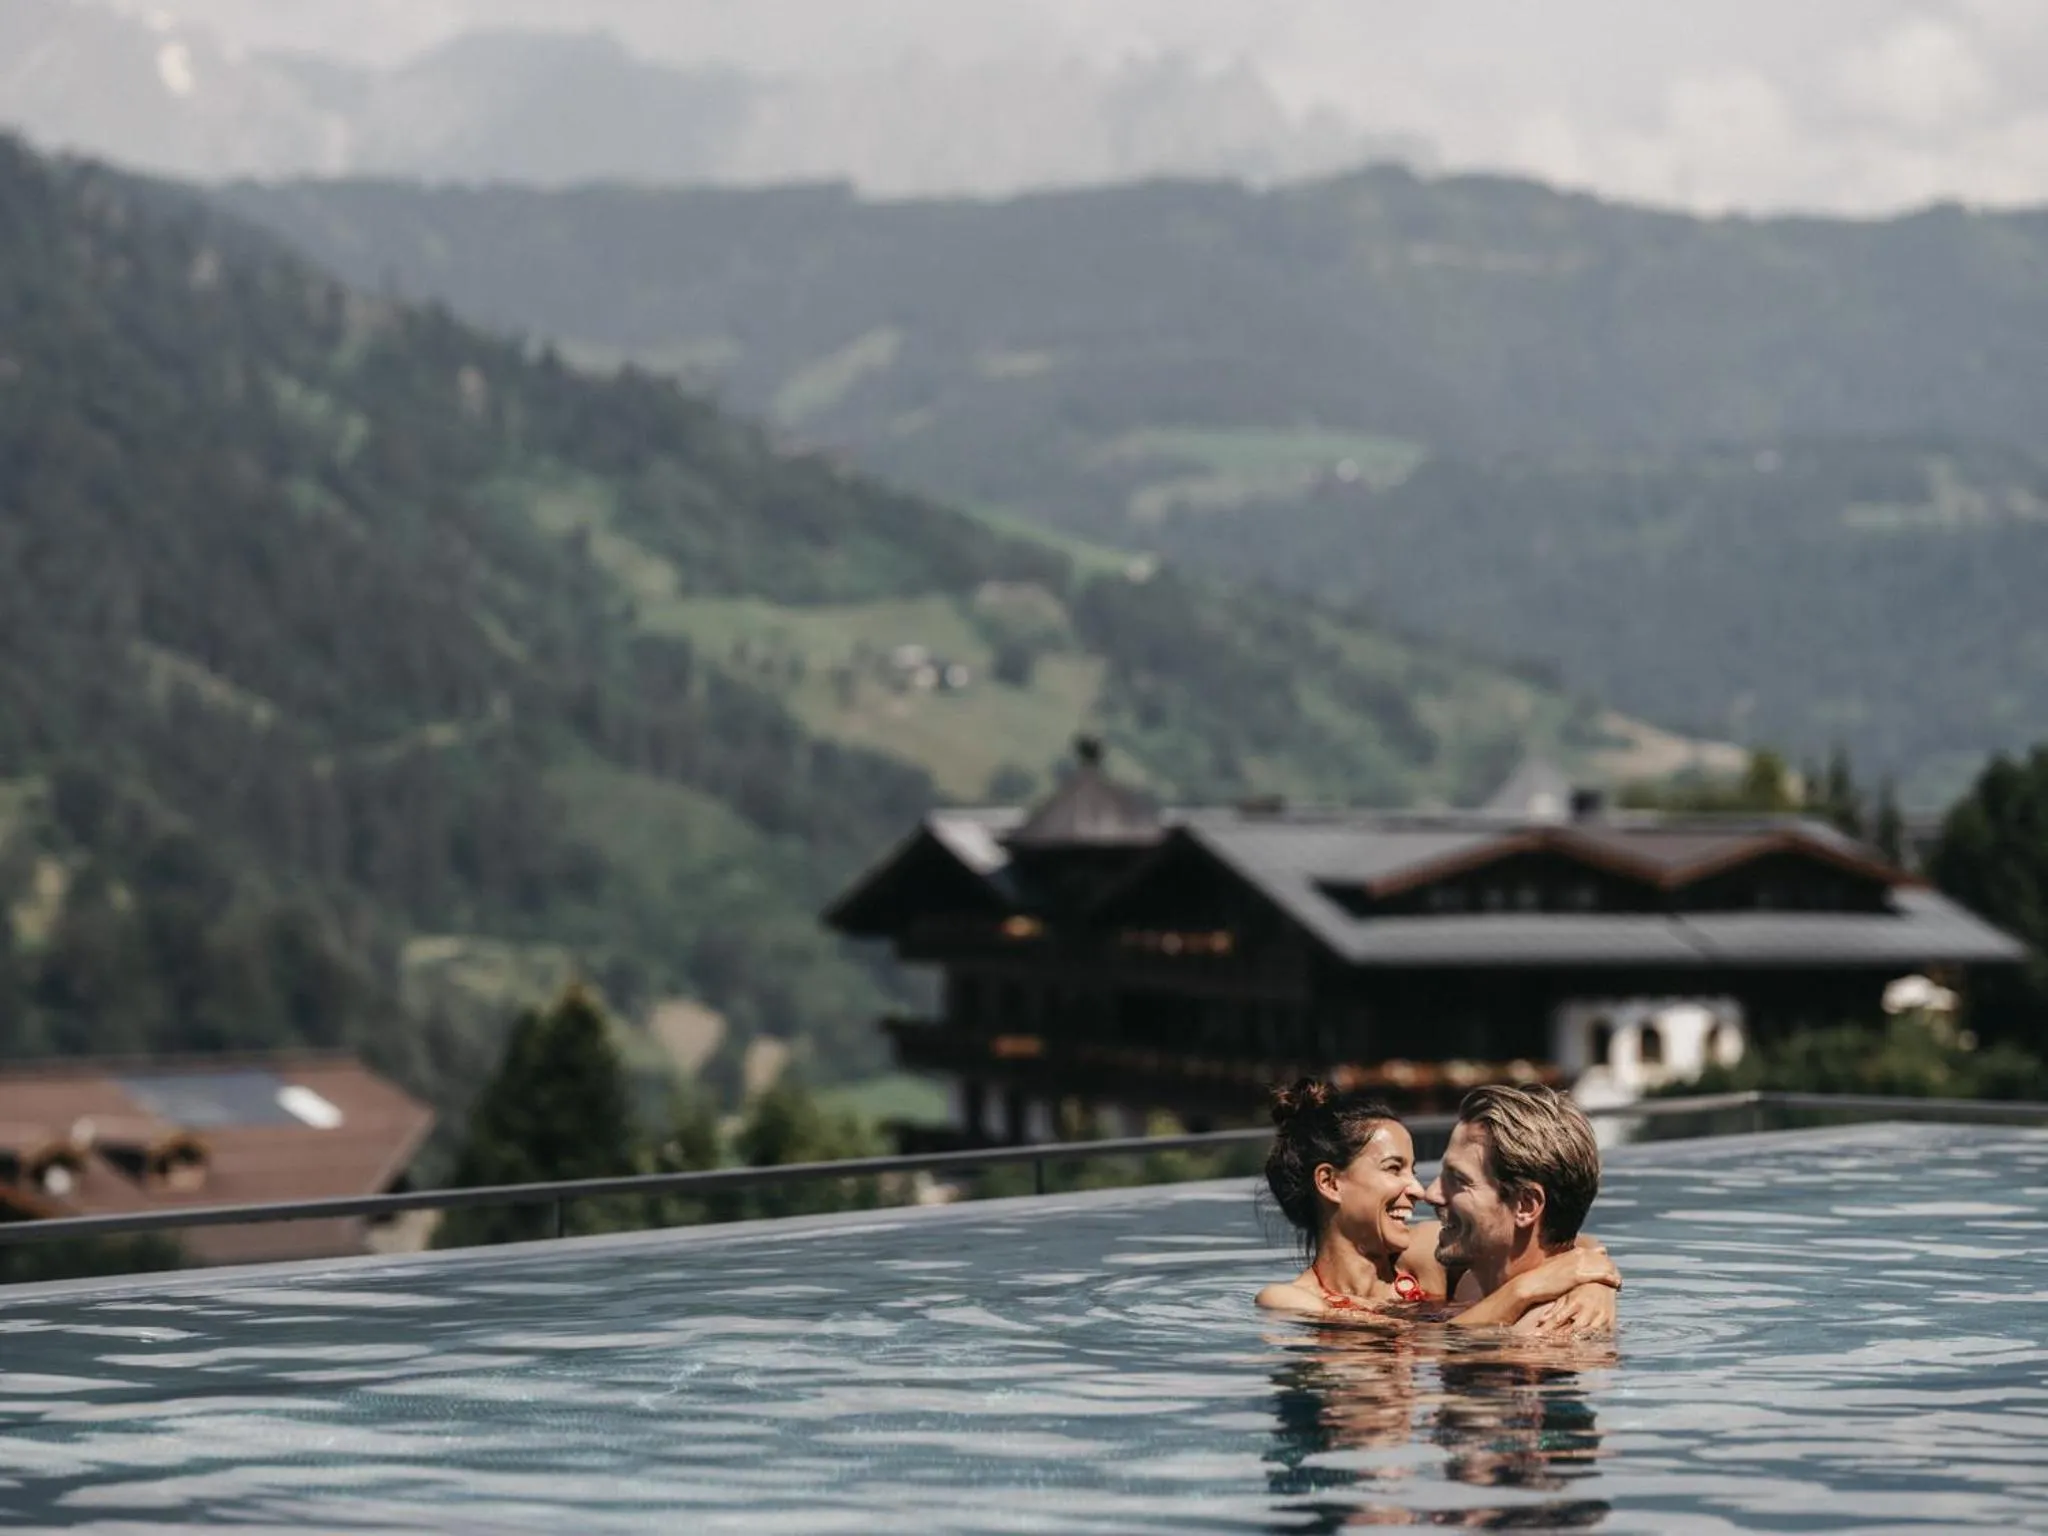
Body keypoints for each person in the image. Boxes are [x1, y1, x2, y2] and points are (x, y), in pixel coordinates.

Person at [1255, 1079, 1618, 1330]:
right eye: (1393, 1168)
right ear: (1330, 1182)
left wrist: (1594, 1285)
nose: (1418, 1189)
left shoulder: (1425, 1257)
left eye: (1412, 1169)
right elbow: (1449, 1345)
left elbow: (1559, 1235)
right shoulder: (1291, 1300)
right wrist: (1526, 1289)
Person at [1423, 1083, 1613, 1333]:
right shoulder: (1475, 1282)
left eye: (1458, 1180)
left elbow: (1427, 1352)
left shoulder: (1547, 1331)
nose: (1430, 1194)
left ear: (1526, 1205)